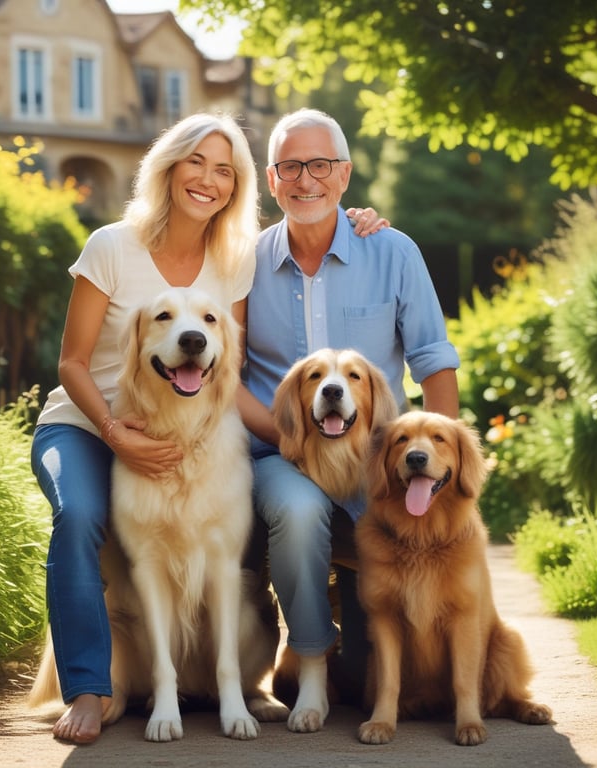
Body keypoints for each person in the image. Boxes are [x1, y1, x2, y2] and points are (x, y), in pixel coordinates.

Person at [30, 110, 382, 745]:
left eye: (225, 170)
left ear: (238, 185)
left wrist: (298, 445)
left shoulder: (232, 261)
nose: (208, 179)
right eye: (195, 162)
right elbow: (72, 364)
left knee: (223, 543)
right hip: (85, 422)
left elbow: (229, 377)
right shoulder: (111, 246)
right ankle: (85, 688)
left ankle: (228, 679)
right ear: (168, 168)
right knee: (79, 516)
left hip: (185, 428)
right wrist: (113, 431)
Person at [238, 108, 460, 733]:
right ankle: (309, 662)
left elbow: (434, 361)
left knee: (374, 682)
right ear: (271, 179)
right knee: (297, 509)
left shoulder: (391, 251)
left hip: (375, 464)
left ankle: (418, 662)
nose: (305, 180)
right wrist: (288, 440)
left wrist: (442, 467)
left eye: (320, 165)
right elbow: (226, 374)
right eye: (289, 167)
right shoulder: (243, 262)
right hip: (282, 456)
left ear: (344, 174)